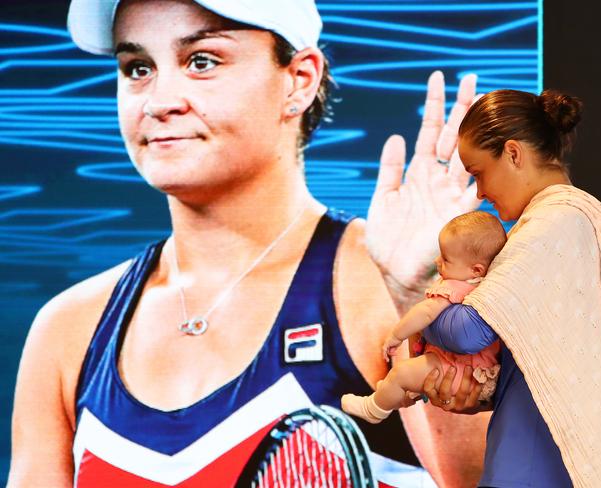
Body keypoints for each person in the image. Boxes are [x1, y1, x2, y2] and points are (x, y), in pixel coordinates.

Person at [8, 1, 489, 487]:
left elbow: (488, 479)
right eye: (138, 68)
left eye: (202, 60)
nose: (158, 101)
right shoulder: (68, 330)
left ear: (299, 79)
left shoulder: (387, 287)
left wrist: (427, 298)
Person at [418, 89, 601, 487]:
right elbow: (532, 365)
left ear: (514, 154)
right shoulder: (569, 218)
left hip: (534, 463)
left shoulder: (554, 222)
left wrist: (425, 309)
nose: (480, 193)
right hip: (535, 454)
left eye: (478, 172)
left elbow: (468, 331)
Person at [341, 211, 505, 424]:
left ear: (476, 269)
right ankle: (404, 393)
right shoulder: (486, 287)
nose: (438, 262)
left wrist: (396, 334)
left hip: (460, 370)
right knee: (409, 372)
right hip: (476, 371)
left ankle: (374, 409)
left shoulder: (455, 287)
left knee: (400, 372)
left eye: (446, 259)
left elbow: (425, 312)